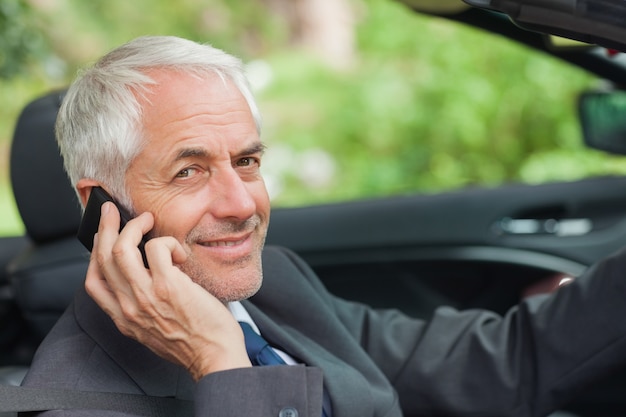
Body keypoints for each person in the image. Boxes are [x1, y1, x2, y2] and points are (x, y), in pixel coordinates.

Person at [21, 35, 626, 417]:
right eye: (189, 171)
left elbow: (496, 368)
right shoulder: (73, 401)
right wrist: (218, 363)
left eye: (247, 162)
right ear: (102, 206)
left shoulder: (274, 289)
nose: (240, 204)